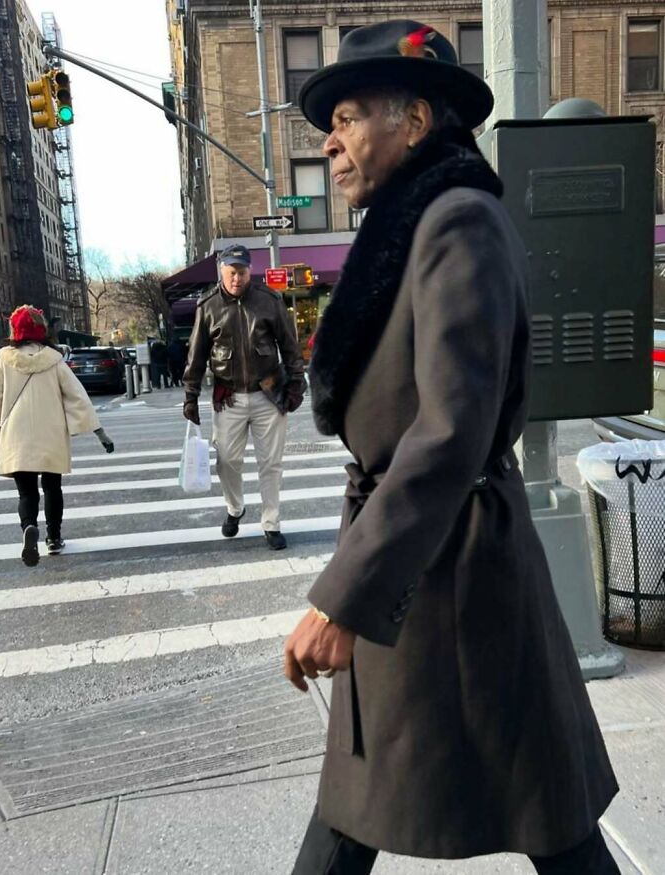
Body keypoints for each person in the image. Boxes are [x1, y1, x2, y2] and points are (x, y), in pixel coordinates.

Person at [284, 21, 620, 875]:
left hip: (461, 572)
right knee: (364, 807)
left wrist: (343, 598)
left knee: (548, 814)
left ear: (415, 121)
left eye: (348, 117)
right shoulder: (412, 227)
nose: (329, 142)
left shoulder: (458, 221)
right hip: (421, 563)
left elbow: (450, 431)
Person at [183, 244, 306, 550]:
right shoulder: (207, 305)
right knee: (227, 462)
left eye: (241, 272)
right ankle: (235, 508)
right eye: (231, 272)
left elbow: (290, 346)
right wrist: (190, 396)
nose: (236, 278)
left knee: (271, 463)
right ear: (221, 272)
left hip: (269, 393)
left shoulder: (269, 300)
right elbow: (196, 355)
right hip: (229, 396)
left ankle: (271, 523)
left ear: (250, 271)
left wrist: (296, 385)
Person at [0, 305, 115, 566]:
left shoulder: (4, 360)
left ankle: (29, 527)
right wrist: (99, 432)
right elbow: (77, 396)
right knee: (52, 487)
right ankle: (54, 538)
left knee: (26, 493)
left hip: (16, 434)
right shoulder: (54, 360)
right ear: (41, 329)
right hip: (51, 432)